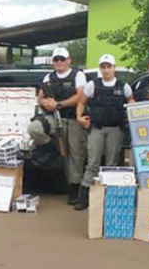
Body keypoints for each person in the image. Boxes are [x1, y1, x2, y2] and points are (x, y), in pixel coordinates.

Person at [26, 47, 89, 205]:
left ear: (69, 60)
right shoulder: (49, 76)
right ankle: (52, 146)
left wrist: (58, 104)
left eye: (62, 59)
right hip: (53, 118)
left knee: (76, 155)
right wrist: (45, 102)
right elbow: (40, 97)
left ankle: (74, 189)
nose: (59, 62)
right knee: (34, 129)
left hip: (73, 118)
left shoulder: (78, 75)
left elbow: (80, 96)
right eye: (56, 59)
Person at [74, 54, 134, 210]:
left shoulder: (123, 86)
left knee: (111, 164)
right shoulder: (92, 85)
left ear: (114, 68)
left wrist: (131, 118)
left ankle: (110, 198)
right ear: (100, 69)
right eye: (103, 67)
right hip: (97, 129)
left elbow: (132, 102)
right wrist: (80, 118)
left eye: (109, 67)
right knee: (92, 162)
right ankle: (84, 198)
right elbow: (81, 102)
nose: (106, 70)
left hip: (116, 130)